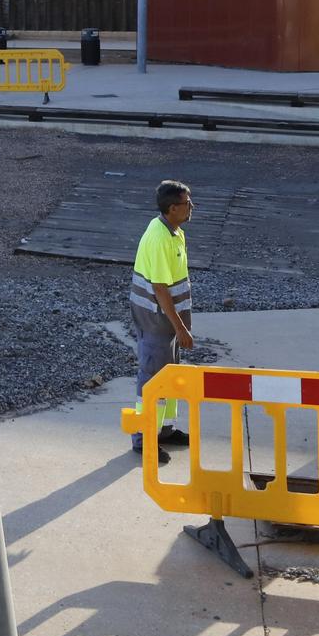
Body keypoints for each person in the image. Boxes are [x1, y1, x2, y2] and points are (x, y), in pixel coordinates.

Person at [129, 179, 195, 463]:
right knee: (153, 380)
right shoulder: (159, 238)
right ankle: (144, 439)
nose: (191, 206)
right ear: (172, 208)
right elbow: (159, 289)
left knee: (168, 375)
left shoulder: (173, 231)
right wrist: (180, 327)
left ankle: (164, 430)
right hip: (157, 320)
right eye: (186, 202)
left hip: (167, 319)